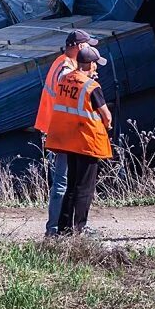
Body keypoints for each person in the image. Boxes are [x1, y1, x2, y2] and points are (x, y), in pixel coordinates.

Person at [34, 29, 97, 236]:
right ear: (80, 47)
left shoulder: (61, 63)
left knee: (65, 181)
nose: (90, 51)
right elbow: (72, 96)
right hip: (61, 131)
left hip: (58, 129)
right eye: (88, 46)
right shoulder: (65, 69)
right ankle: (55, 230)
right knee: (62, 182)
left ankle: (61, 228)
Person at [46, 45, 113, 236]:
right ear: (90, 64)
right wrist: (107, 126)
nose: (96, 68)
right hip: (87, 143)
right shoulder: (91, 86)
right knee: (85, 188)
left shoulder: (65, 79)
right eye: (95, 64)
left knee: (72, 186)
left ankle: (64, 228)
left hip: (68, 141)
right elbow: (106, 116)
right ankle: (80, 229)